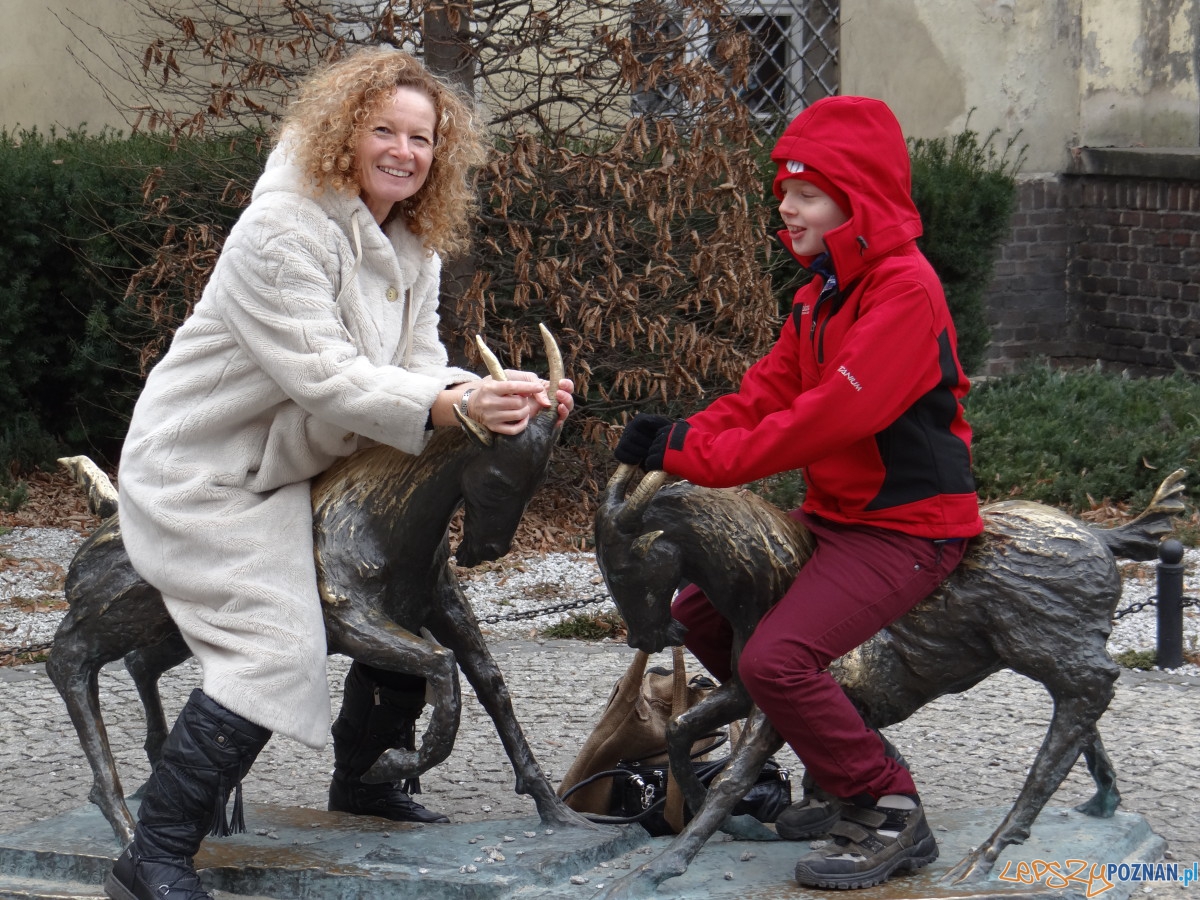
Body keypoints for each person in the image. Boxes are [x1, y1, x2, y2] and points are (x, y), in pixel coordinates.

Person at [108, 47, 573, 900]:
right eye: (383, 129)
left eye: (422, 137)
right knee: (273, 644)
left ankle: (364, 781)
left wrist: (504, 394)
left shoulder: (412, 243)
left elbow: (423, 365)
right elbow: (325, 376)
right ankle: (155, 854)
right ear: (341, 132)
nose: (404, 150)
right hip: (208, 470)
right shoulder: (279, 229)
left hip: (303, 457)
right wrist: (460, 409)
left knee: (405, 577)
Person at [615, 95, 983, 891]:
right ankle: (829, 756)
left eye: (806, 192)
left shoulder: (902, 292)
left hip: (907, 528)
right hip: (837, 518)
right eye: (783, 188)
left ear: (860, 202)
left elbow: (829, 418)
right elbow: (765, 392)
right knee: (701, 613)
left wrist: (701, 457)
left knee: (778, 658)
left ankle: (886, 806)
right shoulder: (821, 293)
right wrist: (680, 437)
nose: (785, 205)